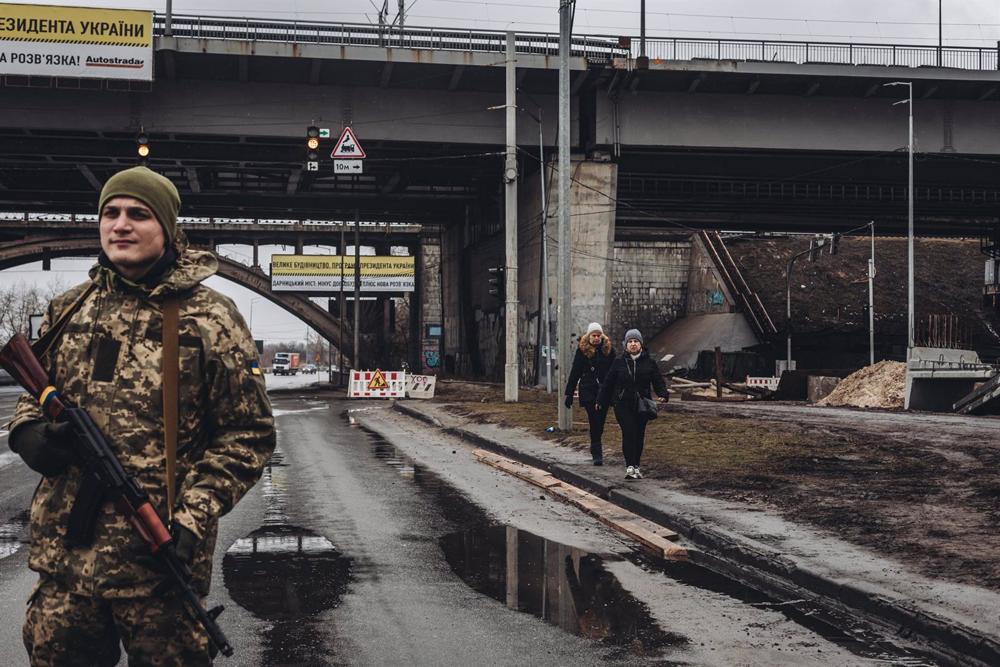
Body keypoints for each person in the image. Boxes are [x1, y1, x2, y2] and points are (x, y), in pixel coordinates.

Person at [7, 166, 276, 666]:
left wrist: (191, 517)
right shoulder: (70, 308)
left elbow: (249, 435)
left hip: (159, 569)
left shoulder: (210, 317)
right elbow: (35, 389)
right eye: (110, 213)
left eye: (138, 214)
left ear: (168, 229)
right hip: (66, 569)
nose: (120, 225)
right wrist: (29, 432)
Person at [596, 329, 668, 480]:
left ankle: (636, 465)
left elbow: (657, 380)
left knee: (639, 435)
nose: (633, 344)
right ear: (626, 345)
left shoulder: (649, 362)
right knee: (629, 433)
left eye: (636, 341)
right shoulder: (619, 362)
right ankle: (629, 467)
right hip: (623, 404)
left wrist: (663, 394)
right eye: (630, 342)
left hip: (642, 405)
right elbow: (608, 383)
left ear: (641, 344)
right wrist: (600, 400)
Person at [564, 322, 616, 465]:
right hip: (588, 391)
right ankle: (597, 452)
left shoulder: (608, 350)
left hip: (604, 391)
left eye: (598, 335)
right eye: (594, 335)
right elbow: (575, 372)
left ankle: (595, 443)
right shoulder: (582, 350)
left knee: (600, 422)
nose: (596, 338)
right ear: (589, 336)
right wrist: (569, 393)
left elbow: (616, 371)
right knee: (594, 420)